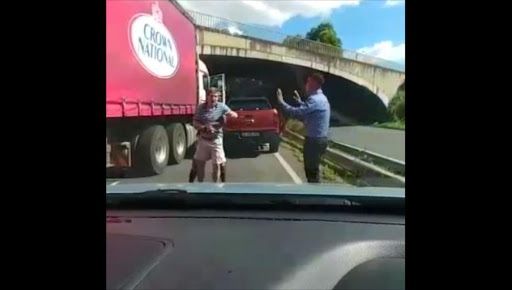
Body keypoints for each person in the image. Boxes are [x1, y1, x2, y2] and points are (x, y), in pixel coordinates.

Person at [276, 73, 331, 183]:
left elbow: (297, 112)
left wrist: (281, 102)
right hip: (321, 140)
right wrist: (300, 102)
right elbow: (310, 110)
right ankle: (317, 191)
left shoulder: (314, 100)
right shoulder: (322, 98)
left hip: (314, 141)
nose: (306, 85)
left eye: (308, 82)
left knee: (311, 171)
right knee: (315, 169)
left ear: (313, 84)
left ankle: (315, 196)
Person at [191, 87, 238, 182]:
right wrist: (204, 128)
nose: (214, 99)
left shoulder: (221, 107)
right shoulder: (200, 108)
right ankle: (200, 186)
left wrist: (233, 114)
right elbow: (195, 122)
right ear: (207, 97)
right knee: (199, 163)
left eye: (216, 97)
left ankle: (215, 187)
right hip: (203, 139)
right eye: (211, 96)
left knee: (217, 164)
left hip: (216, 139)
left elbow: (233, 114)